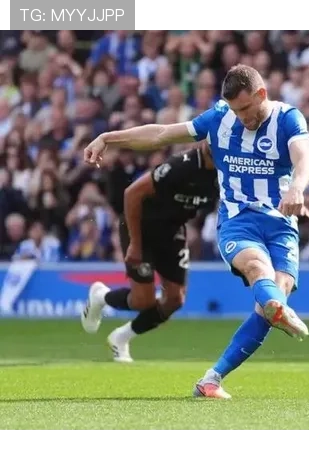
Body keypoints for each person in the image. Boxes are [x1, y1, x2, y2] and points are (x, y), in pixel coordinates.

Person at [83, 64, 309, 399]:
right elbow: (161, 134)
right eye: (236, 110)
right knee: (257, 270)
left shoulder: (288, 118)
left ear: (262, 94)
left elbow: (305, 157)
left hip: (282, 225)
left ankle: (211, 379)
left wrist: (297, 187)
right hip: (238, 221)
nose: (242, 118)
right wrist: (108, 137)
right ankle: (276, 306)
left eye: (246, 108)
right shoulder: (220, 118)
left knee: (268, 305)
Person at [81, 143, 219, 362]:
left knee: (174, 299)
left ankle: (121, 338)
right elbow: (132, 193)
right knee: (142, 301)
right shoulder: (181, 166)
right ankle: (101, 296)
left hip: (173, 231)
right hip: (141, 227)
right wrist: (135, 244)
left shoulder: (227, 174)